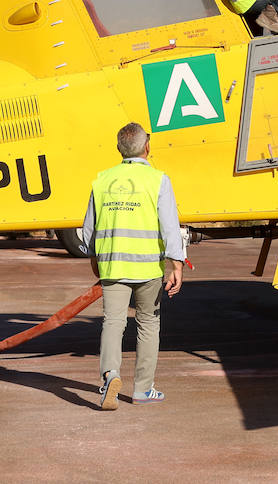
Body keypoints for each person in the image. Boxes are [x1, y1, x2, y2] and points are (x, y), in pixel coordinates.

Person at [81, 123, 186, 409]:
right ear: (147, 147)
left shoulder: (102, 180)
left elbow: (89, 230)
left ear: (118, 149)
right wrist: (176, 264)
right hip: (148, 268)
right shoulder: (158, 180)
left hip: (113, 266)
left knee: (113, 323)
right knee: (148, 324)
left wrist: (94, 259)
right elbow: (169, 226)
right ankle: (143, 389)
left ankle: (110, 377)